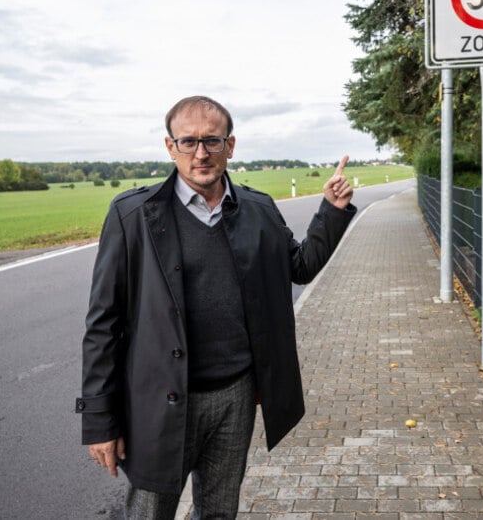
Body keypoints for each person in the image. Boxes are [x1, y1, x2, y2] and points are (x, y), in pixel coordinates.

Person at [75, 96, 355, 519]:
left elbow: (299, 267)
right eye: (188, 142)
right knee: (150, 511)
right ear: (170, 147)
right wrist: (100, 421)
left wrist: (331, 212)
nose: (200, 153)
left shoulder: (258, 210)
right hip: (160, 401)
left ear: (231, 145)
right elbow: (103, 324)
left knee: (220, 512)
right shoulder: (132, 216)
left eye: (212, 140)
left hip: (234, 397)